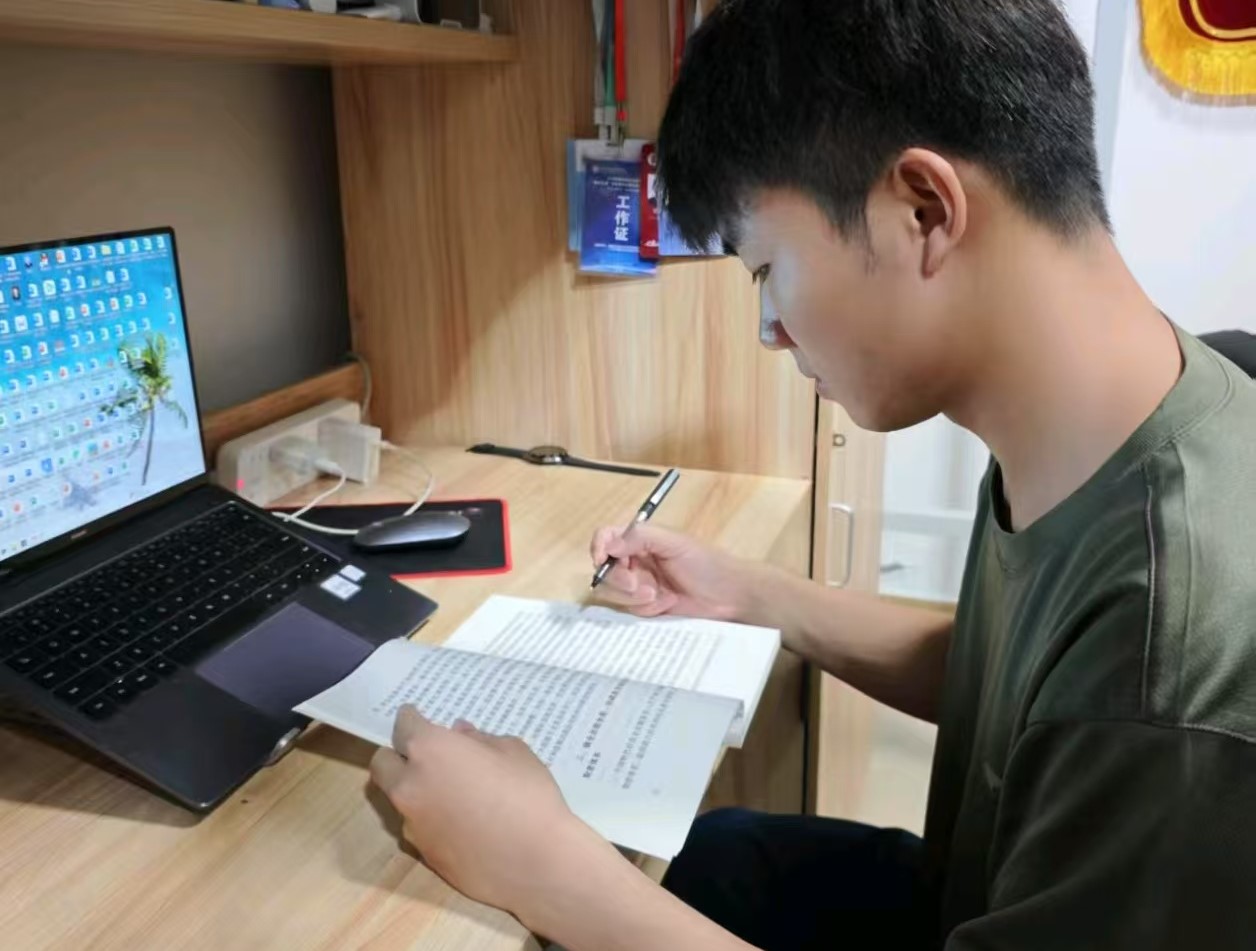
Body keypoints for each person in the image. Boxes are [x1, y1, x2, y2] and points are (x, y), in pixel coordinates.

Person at [368, 0, 1256, 948]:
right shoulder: (1107, 416)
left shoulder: (1176, 660)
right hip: (977, 879)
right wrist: (748, 592)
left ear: (925, 209)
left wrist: (538, 864)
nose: (770, 330)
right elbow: (1016, 676)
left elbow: (1108, 696)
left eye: (766, 269)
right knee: (717, 856)